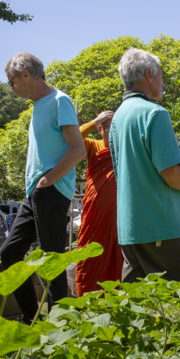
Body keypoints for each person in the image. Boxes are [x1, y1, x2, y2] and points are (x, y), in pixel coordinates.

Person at [0, 52, 87, 323]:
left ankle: (60, 325)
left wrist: (48, 179)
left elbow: (78, 149)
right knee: (10, 253)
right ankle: (29, 317)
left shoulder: (59, 101)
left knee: (52, 261)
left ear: (26, 75)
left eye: (12, 82)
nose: (11, 89)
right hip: (34, 192)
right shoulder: (38, 105)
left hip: (51, 190)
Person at [108, 48, 180, 282]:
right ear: (149, 74)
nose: (162, 82)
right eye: (160, 75)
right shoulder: (155, 113)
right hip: (161, 227)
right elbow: (170, 172)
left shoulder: (118, 117)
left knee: (138, 309)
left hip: (130, 228)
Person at [75, 110, 124, 294]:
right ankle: (86, 311)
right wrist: (95, 119)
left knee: (118, 263)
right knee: (90, 261)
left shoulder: (124, 149)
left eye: (115, 129)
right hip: (95, 216)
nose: (112, 133)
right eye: (107, 128)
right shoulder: (93, 146)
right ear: (99, 129)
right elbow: (73, 138)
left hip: (119, 217)